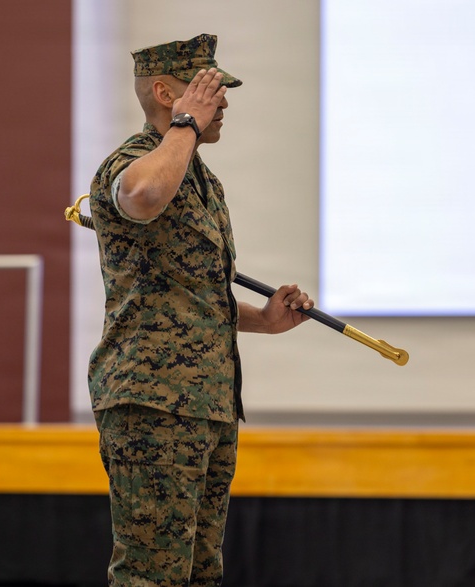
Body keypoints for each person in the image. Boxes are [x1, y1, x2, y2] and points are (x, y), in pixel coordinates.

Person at [88, 33, 313, 586]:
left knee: (198, 574)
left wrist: (264, 319)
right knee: (151, 575)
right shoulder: (132, 164)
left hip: (205, 405)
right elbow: (140, 199)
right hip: (153, 402)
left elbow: (188, 294)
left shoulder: (201, 180)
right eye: (211, 91)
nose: (224, 104)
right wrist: (185, 124)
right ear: (166, 93)